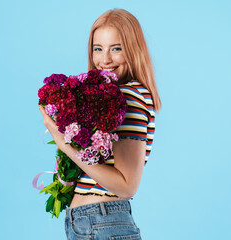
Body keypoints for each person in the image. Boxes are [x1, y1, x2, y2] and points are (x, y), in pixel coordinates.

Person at [39, 9, 161, 240]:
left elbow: (126, 186)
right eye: (98, 49)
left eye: (116, 48)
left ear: (133, 50)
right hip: (95, 223)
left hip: (102, 223)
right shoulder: (113, 97)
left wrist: (66, 145)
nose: (104, 59)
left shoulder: (128, 97)